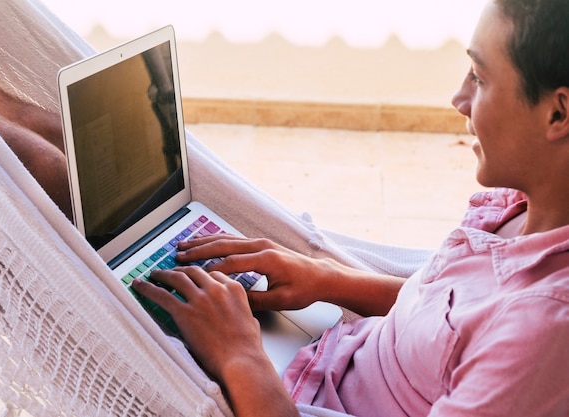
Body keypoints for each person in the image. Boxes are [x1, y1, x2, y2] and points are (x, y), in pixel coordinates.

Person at [133, 0, 569, 415]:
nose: (458, 99)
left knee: (68, 220)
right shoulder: (518, 210)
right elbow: (451, 327)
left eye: (479, 76)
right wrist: (326, 277)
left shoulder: (542, 332)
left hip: (271, 395)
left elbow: (501, 332)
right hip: (320, 358)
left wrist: (241, 356)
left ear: (558, 113)